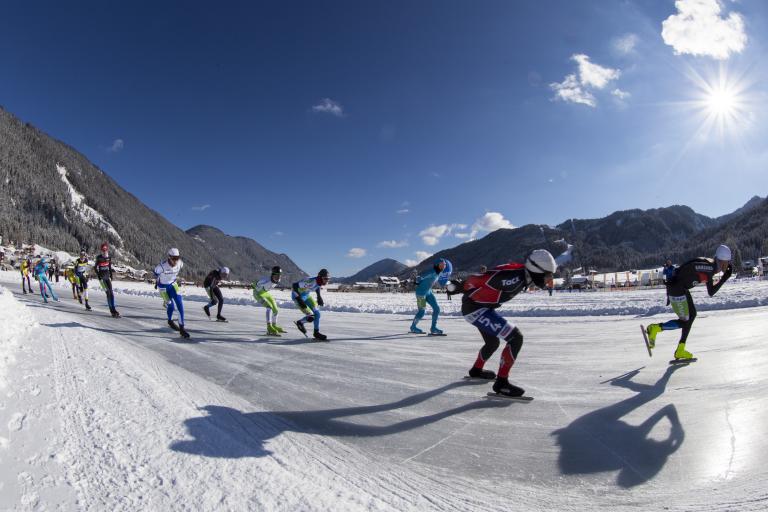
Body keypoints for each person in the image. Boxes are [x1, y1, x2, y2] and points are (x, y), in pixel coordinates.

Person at [446, 249, 557, 398]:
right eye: (548, 275)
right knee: (515, 337)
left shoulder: (522, 274)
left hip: (480, 308)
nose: (549, 280)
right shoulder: (513, 277)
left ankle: (476, 370)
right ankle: (501, 384)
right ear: (537, 271)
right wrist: (461, 286)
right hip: (475, 309)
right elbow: (482, 278)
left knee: (492, 343)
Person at [645, 245, 733, 361]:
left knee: (692, 315)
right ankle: (655, 328)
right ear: (722, 262)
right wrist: (724, 278)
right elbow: (711, 292)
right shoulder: (710, 269)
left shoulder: (710, 265)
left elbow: (688, 268)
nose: (728, 265)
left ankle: (681, 349)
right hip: (677, 290)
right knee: (684, 322)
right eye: (728, 262)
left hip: (680, 288)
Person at [409, 258, 451, 335]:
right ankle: (413, 327)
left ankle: (433, 328)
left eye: (444, 265)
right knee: (422, 312)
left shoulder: (438, 273)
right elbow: (420, 276)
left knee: (437, 309)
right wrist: (417, 281)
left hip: (429, 293)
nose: (443, 267)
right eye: (441, 265)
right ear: (437, 265)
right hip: (421, 293)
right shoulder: (432, 271)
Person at [154, 248, 189, 338]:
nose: (176, 261)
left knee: (180, 304)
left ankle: (182, 328)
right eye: (173, 258)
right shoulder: (161, 266)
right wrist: (157, 281)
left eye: (177, 258)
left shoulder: (180, 263)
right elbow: (155, 273)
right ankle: (169, 320)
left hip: (173, 285)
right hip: (163, 287)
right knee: (171, 305)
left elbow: (179, 265)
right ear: (169, 257)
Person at [292, 269, 330, 341]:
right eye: (325, 279)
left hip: (306, 296)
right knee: (311, 317)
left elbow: (317, 287)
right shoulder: (309, 281)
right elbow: (294, 286)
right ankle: (300, 322)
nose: (327, 281)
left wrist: (319, 296)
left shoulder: (319, 281)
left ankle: (316, 333)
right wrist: (299, 299)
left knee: (317, 314)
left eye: (328, 279)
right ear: (320, 277)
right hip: (297, 297)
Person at [253, 266, 286, 336]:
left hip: (265, 293)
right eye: (277, 275)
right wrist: (255, 286)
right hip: (258, 294)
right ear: (273, 274)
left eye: (280, 275)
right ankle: (269, 327)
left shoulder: (278, 280)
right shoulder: (265, 280)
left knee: (275, 309)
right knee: (269, 307)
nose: (278, 277)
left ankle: (274, 325)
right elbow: (255, 283)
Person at [95, 242, 120, 317]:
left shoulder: (109, 257)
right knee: (108, 293)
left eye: (105, 250)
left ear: (107, 250)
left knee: (112, 294)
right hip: (102, 279)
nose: (104, 251)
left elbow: (109, 267)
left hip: (107, 277)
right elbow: (95, 267)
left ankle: (114, 309)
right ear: (101, 250)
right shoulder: (99, 258)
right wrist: (98, 275)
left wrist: (111, 275)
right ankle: (111, 310)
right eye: (103, 250)